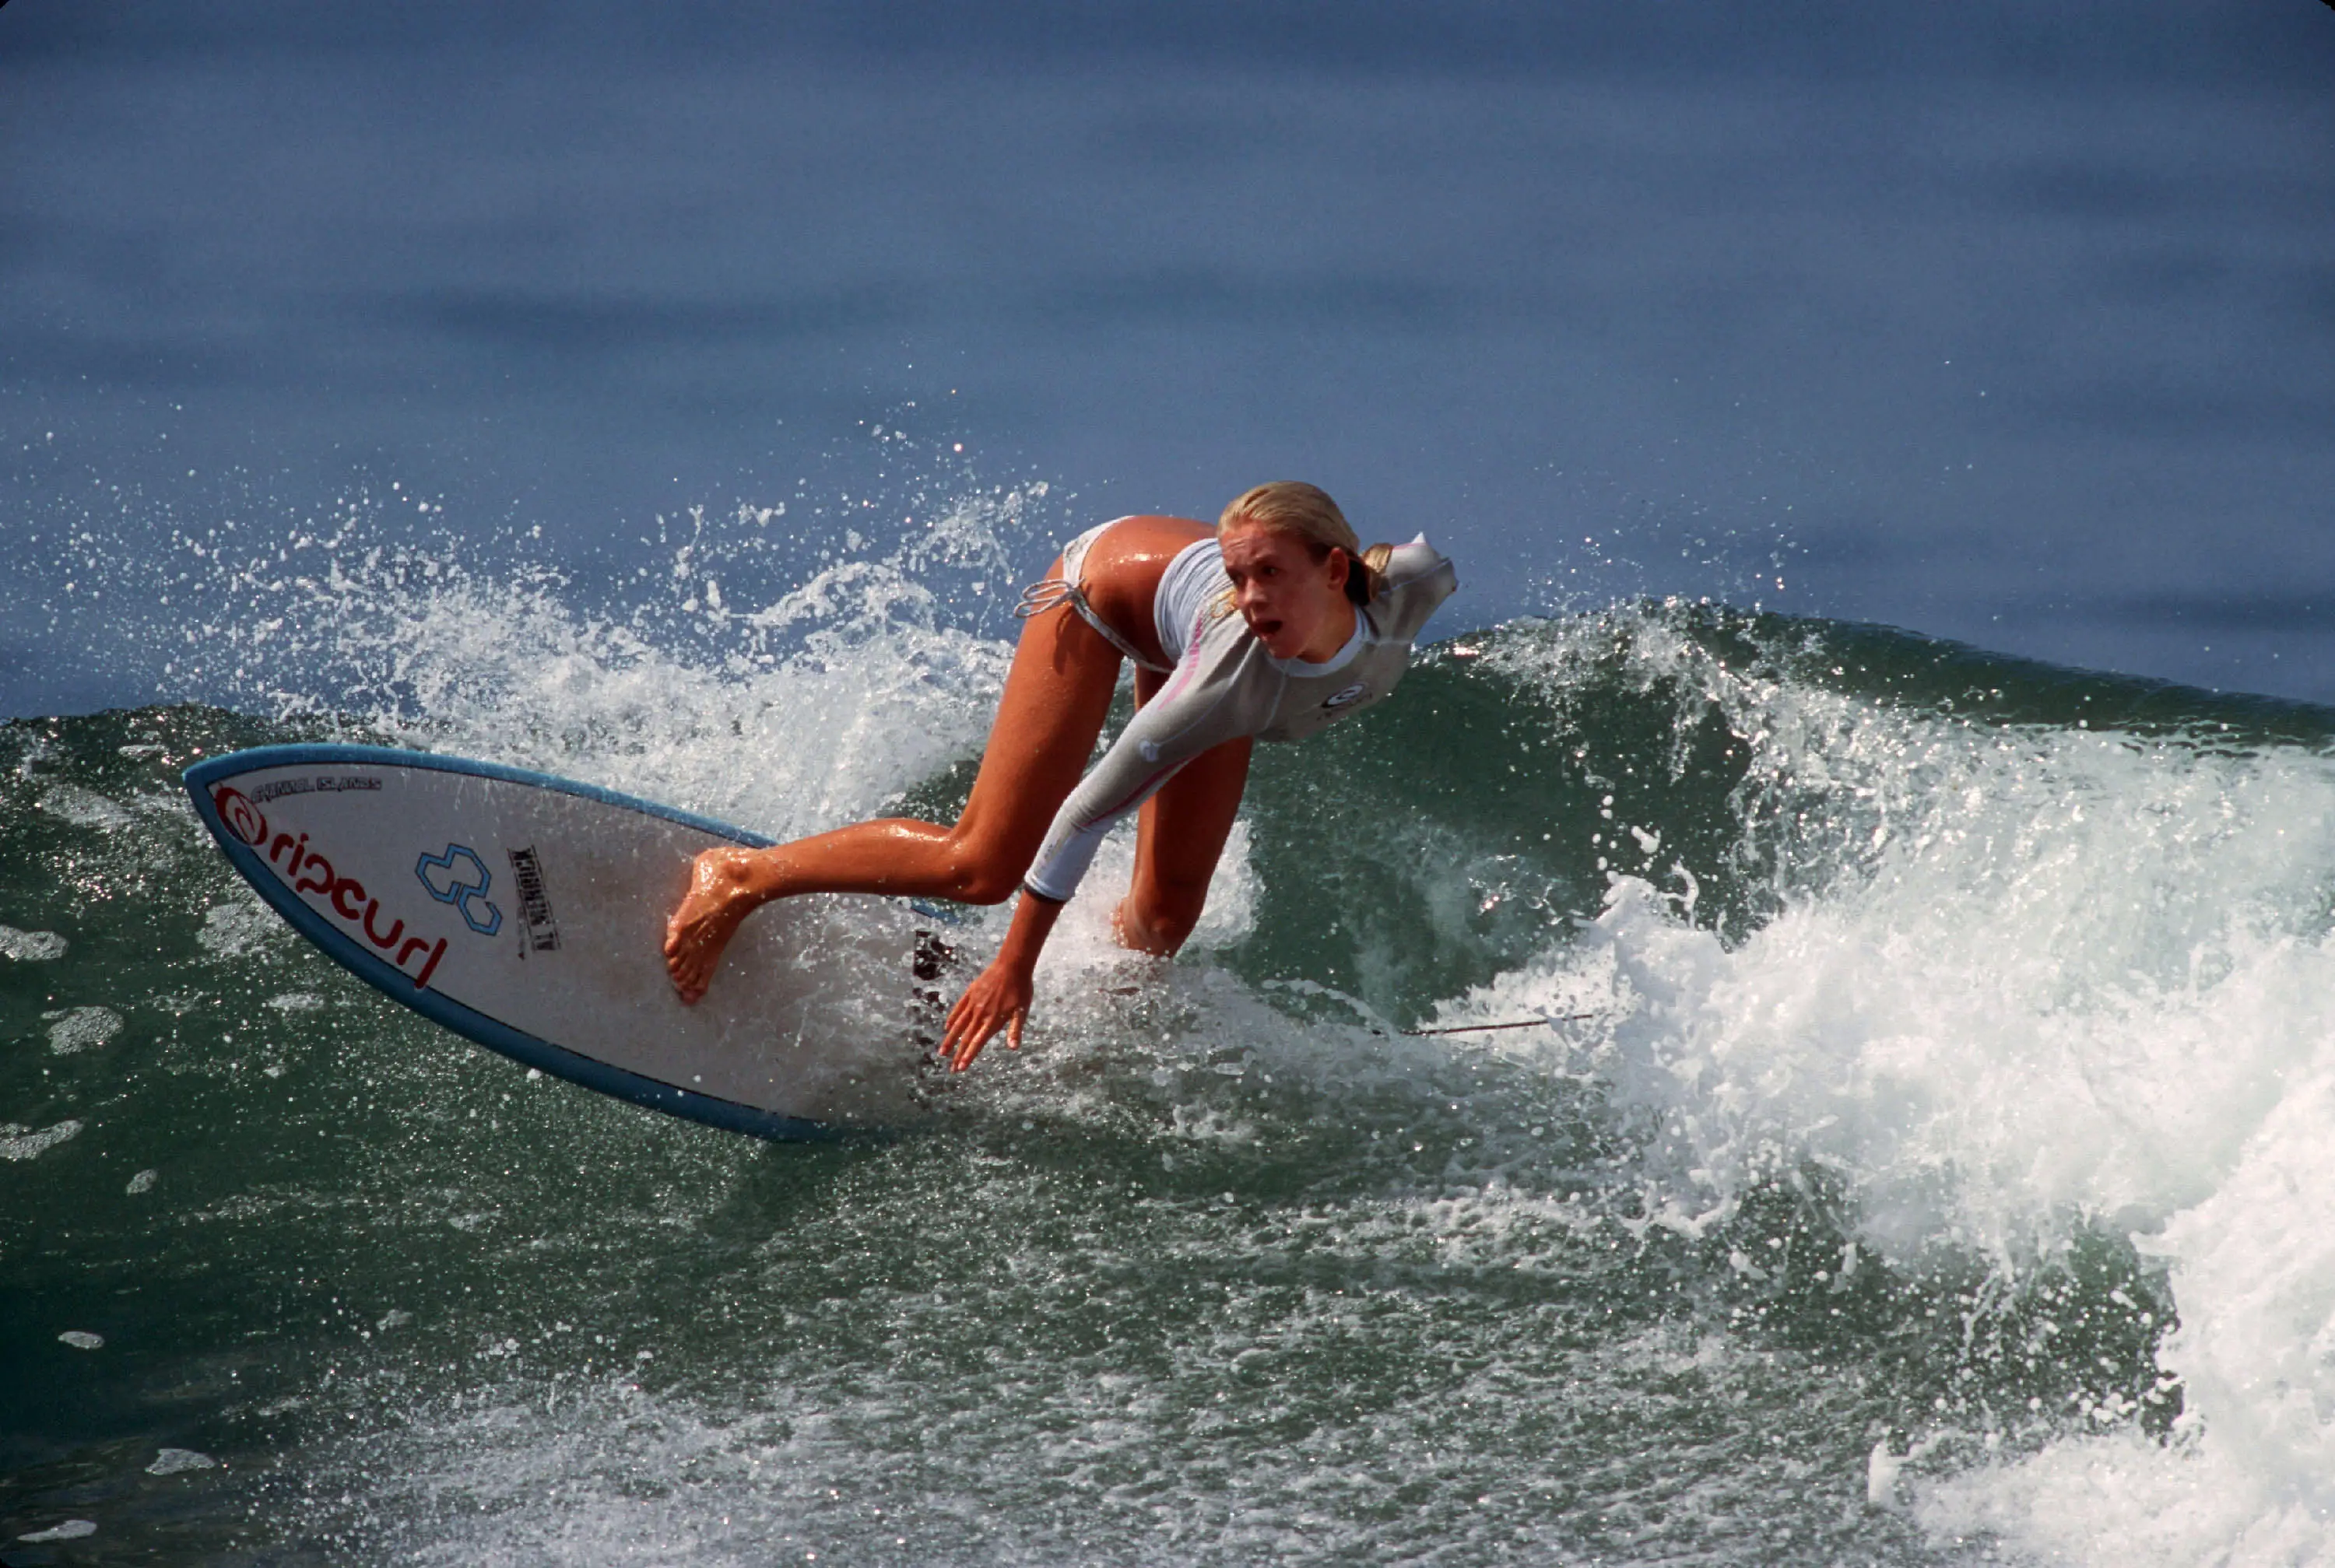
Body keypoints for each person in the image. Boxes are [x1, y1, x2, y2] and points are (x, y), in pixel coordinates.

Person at [662, 481, 1458, 1070]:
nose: (1251, 597)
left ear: (1334, 570)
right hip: (1103, 589)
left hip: (1185, 619)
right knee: (979, 866)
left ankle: (1084, 1003)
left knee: (1167, 917)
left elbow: (1420, 557)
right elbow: (1085, 811)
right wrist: (1015, 964)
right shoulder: (1228, 675)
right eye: (1238, 576)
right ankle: (743, 875)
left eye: (1269, 575)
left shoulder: (1405, 591)